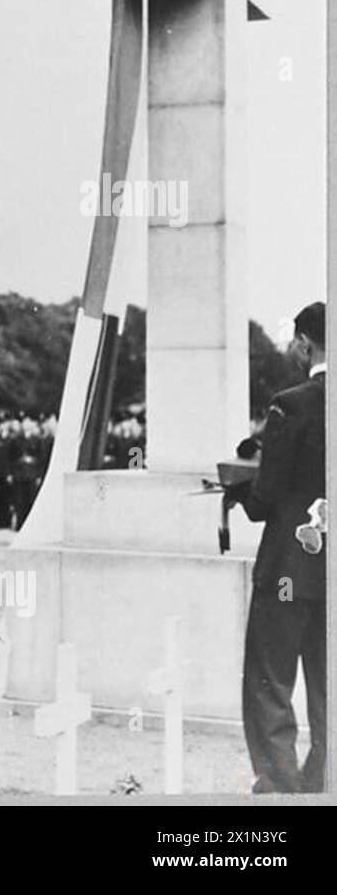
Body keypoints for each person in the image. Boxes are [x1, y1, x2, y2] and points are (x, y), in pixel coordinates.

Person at [235, 302, 326, 793]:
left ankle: (280, 788)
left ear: (304, 343)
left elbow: (266, 497)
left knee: (271, 682)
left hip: (290, 569)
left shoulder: (290, 403)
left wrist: (239, 489)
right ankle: (323, 785)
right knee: (329, 687)